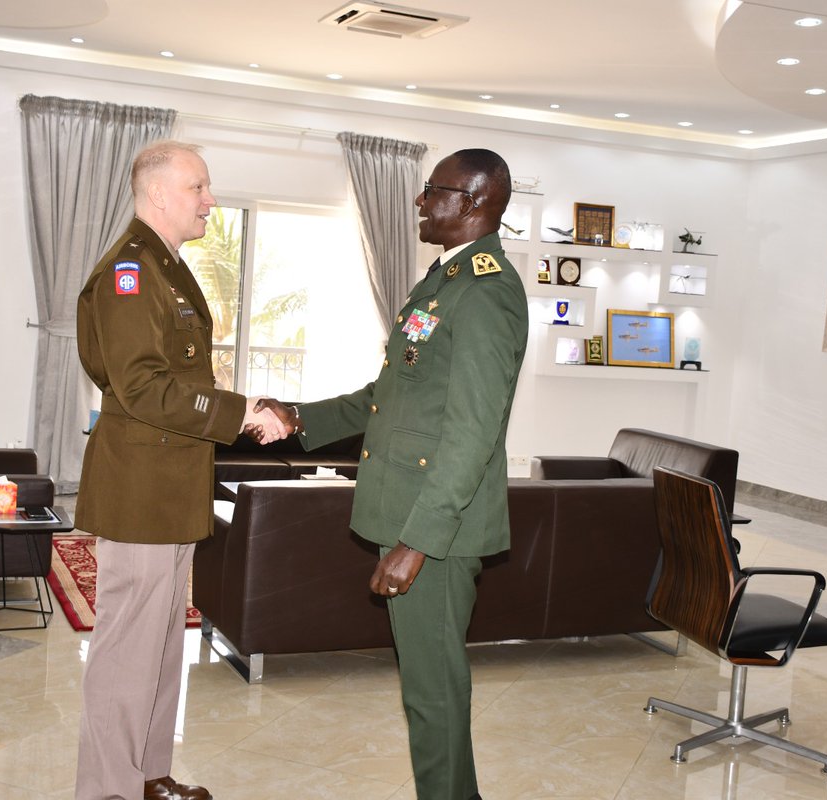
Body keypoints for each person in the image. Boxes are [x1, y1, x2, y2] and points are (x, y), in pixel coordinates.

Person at [258, 148, 528, 799]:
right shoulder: (442, 283)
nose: (419, 200)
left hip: (434, 526)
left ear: (474, 201)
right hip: (410, 511)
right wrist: (300, 417)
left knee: (433, 692)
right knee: (426, 688)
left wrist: (418, 541)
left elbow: (472, 433)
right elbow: (389, 395)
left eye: (434, 190)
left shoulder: (487, 294)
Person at [73, 140, 286, 800]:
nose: (210, 200)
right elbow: (143, 387)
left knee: (164, 646)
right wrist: (239, 409)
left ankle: (148, 774)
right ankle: (108, 789)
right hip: (140, 490)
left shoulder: (165, 268)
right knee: (124, 652)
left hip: (167, 487)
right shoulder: (129, 272)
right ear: (159, 192)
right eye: (199, 188)